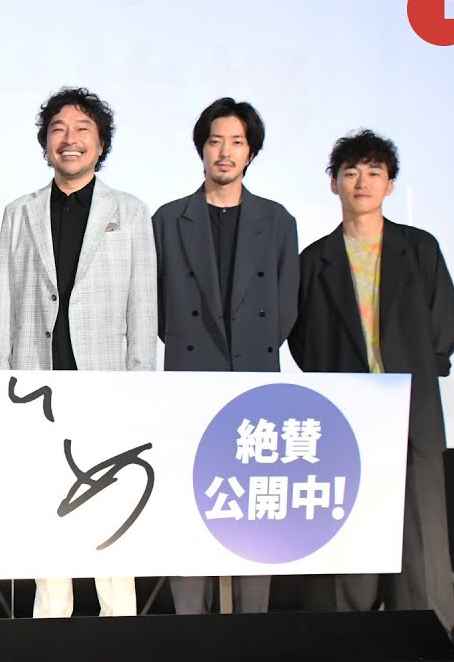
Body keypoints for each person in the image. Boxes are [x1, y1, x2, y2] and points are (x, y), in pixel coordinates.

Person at [0, 87, 156, 618]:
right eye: (58, 128)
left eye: (83, 128)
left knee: (112, 514)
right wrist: (2, 384)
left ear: (101, 143)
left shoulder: (130, 212)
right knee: (47, 513)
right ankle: (49, 627)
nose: (70, 138)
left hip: (106, 387)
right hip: (36, 387)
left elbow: (143, 310)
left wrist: (139, 390)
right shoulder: (19, 213)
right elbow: (4, 303)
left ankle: (120, 626)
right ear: (45, 144)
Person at [289, 129, 454, 629]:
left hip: (411, 406)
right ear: (334, 184)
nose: (361, 182)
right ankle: (346, 634)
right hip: (346, 409)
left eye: (374, 172)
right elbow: (302, 340)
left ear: (389, 184)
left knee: (420, 533)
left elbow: (443, 325)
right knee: (347, 523)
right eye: (350, 172)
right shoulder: (314, 260)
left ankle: (425, 631)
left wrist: (417, 371)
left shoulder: (419, 248)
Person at [152, 97, 298, 614]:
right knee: (190, 503)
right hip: (190, 376)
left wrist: (250, 349)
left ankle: (253, 629)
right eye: (215, 141)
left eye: (237, 142)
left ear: (251, 152)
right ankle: (189, 626)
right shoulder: (169, 219)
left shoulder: (276, 221)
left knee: (254, 509)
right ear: (201, 148)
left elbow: (285, 307)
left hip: (254, 378)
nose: (225, 152)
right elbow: (159, 307)